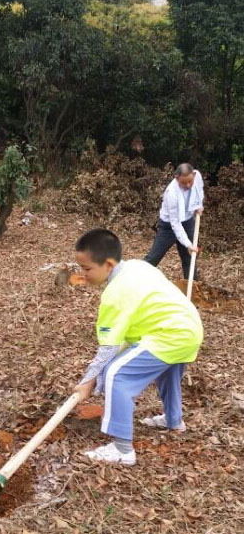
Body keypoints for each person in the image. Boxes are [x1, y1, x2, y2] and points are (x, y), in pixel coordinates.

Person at [72, 228, 203, 465]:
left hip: (169, 334)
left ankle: (122, 449)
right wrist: (92, 380)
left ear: (109, 264)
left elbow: (107, 351)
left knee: (116, 375)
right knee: (167, 372)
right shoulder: (137, 266)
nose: (83, 275)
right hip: (190, 328)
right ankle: (174, 421)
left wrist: (87, 381)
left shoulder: (114, 294)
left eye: (87, 268)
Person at [144, 163, 204, 280]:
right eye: (184, 183)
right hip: (169, 227)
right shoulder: (171, 193)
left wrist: (199, 205)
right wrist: (187, 244)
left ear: (193, 175)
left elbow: (199, 191)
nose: (188, 185)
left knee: (189, 257)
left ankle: (192, 288)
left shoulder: (197, 177)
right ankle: (134, 279)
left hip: (188, 222)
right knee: (154, 258)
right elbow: (175, 224)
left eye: (190, 181)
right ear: (177, 178)